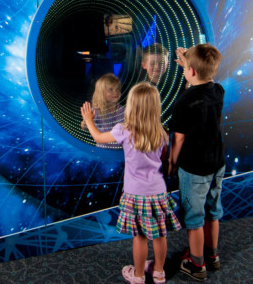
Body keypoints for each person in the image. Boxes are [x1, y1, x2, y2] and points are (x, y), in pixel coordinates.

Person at [81, 82, 181, 284]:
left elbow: (99, 138)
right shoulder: (161, 132)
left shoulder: (123, 130)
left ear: (131, 106)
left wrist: (88, 120)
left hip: (136, 194)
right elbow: (163, 159)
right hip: (158, 192)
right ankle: (159, 273)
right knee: (160, 234)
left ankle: (138, 276)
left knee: (140, 236)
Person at [168, 44, 224, 282]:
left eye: (185, 69)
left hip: (194, 166)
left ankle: (196, 264)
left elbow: (178, 138)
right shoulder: (218, 90)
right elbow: (201, 86)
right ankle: (212, 257)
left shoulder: (183, 101)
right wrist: (188, 62)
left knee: (194, 218)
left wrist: (171, 162)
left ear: (190, 71)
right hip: (216, 162)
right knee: (213, 212)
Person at [81, 73, 124, 149]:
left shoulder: (124, 110)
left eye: (118, 89)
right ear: (101, 92)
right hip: (103, 151)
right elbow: (84, 126)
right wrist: (86, 121)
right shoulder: (96, 111)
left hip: (120, 152)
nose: (115, 92)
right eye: (110, 90)